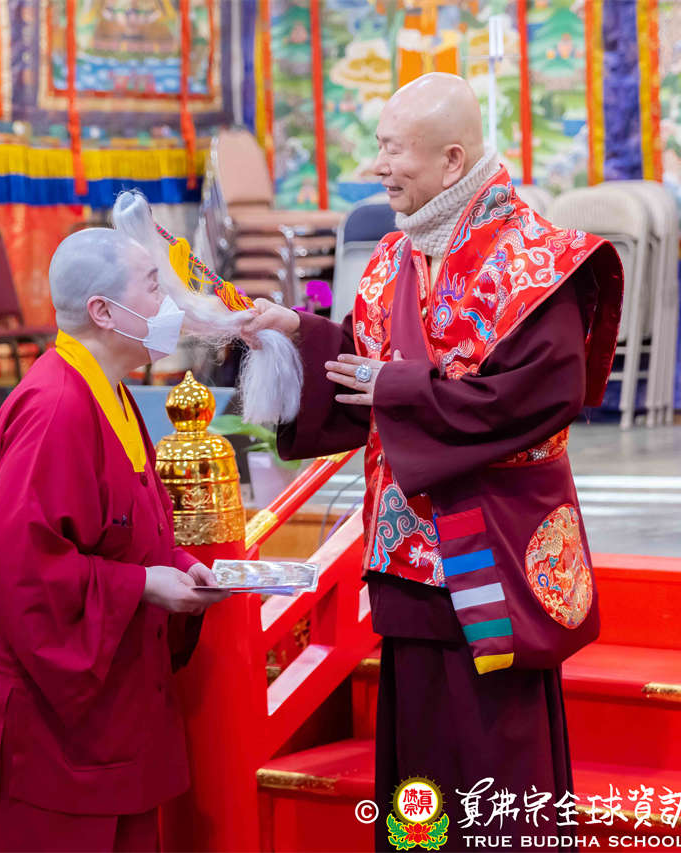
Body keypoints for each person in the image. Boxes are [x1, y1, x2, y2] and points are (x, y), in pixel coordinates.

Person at [241, 73, 622, 850]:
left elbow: (538, 395)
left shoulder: (534, 261)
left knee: (498, 764)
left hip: (495, 554)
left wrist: (399, 387)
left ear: (452, 160)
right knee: (419, 766)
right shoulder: (395, 255)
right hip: (409, 557)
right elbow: (366, 363)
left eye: (393, 151)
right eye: (378, 147)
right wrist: (298, 334)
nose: (377, 167)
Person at [0, 228, 227, 851]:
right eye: (154, 286)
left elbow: (121, 523)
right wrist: (141, 585)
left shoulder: (108, 391)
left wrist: (177, 562)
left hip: (75, 698)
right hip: (16, 703)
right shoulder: (56, 405)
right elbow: (24, 568)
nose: (169, 303)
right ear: (103, 311)